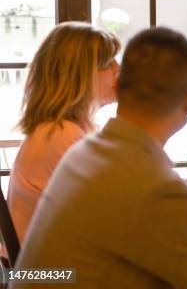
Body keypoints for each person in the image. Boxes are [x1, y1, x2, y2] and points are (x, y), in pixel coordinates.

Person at [14, 28, 187, 288]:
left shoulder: (87, 147)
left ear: (120, 86)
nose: (114, 68)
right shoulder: (69, 138)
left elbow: (128, 206)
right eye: (107, 64)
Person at [8, 22, 120, 243]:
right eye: (109, 64)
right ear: (79, 75)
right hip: (49, 275)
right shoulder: (62, 136)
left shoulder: (61, 130)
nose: (119, 69)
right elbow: (115, 213)